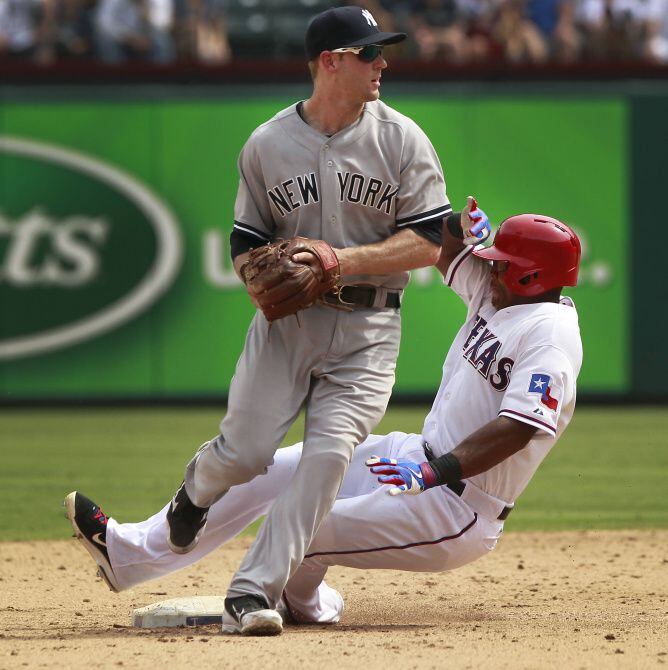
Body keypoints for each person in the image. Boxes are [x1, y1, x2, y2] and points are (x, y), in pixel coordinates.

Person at [68, 5, 454, 636]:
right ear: (331, 62)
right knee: (245, 453)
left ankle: (252, 591)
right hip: (289, 329)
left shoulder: (402, 139)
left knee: (328, 459)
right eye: (369, 53)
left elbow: (431, 242)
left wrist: (340, 259)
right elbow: (246, 244)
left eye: (382, 52)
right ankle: (196, 492)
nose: (383, 63)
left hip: (370, 329)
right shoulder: (268, 145)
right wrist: (259, 279)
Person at [65, 202, 583, 633]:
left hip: (457, 507)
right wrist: (460, 227)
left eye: (499, 262)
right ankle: (125, 553)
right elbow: (448, 250)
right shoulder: (499, 299)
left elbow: (521, 426)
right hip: (408, 455)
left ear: (528, 274)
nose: (488, 266)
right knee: (272, 472)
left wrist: (435, 471)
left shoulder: (550, 336)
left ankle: (304, 606)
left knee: (302, 529)